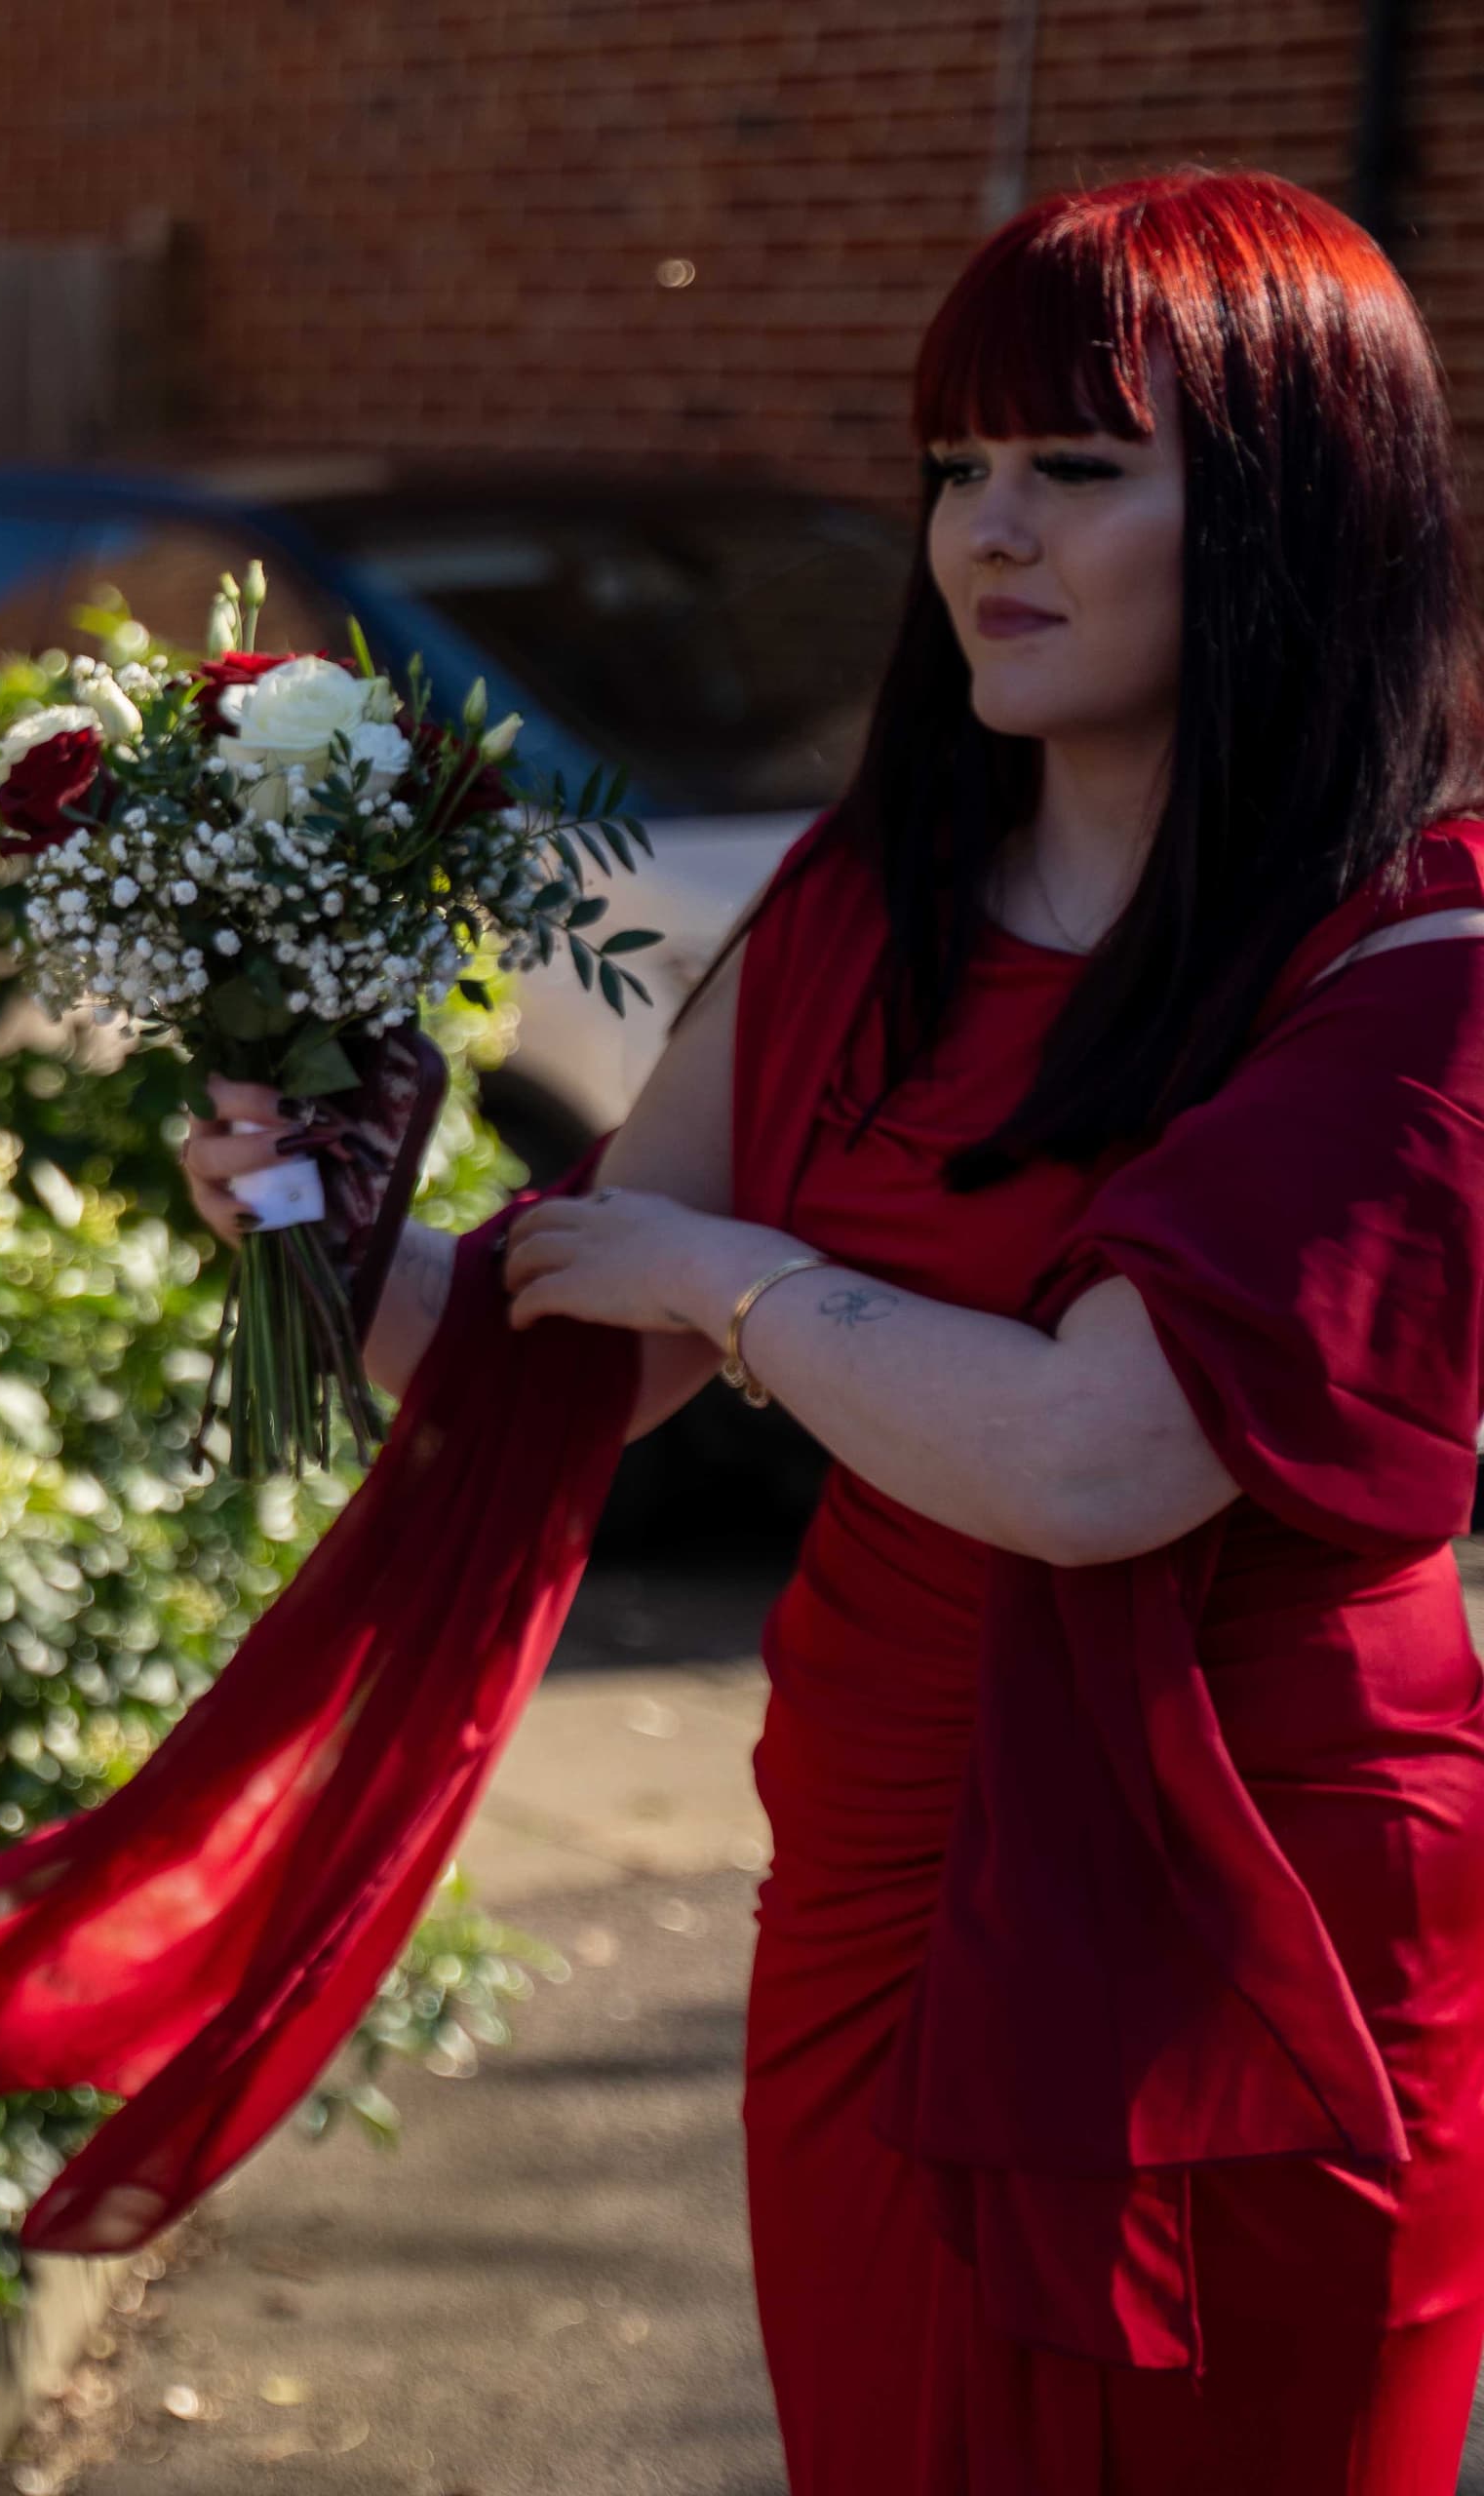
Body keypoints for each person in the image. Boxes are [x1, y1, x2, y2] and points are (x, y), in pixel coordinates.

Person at [175, 172, 1484, 2487]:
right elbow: (568, 1357)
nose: (991, 531)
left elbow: (1100, 1460)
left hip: (1259, 1935)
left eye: (1077, 468)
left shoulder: (1420, 973)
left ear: (1298, 508)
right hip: (882, 1867)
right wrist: (312, 1215)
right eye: (958, 467)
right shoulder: (860, 907)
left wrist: (739, 1281)